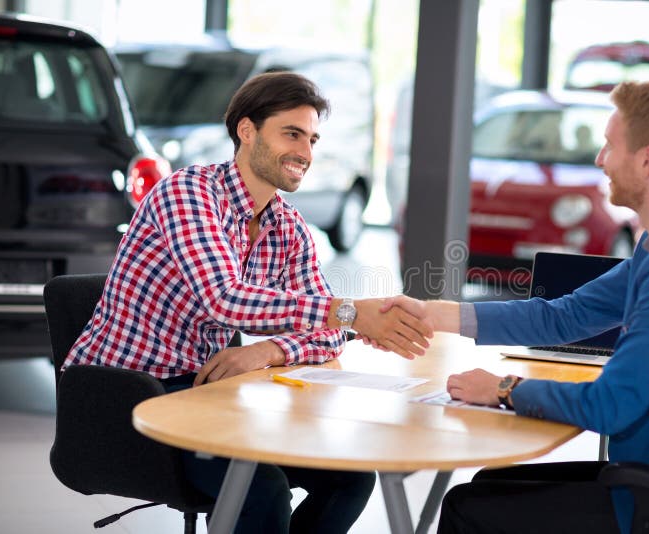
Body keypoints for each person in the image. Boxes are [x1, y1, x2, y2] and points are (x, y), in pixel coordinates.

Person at [379, 81, 649, 533]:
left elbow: (611, 405)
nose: (599, 160)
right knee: (488, 487)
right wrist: (435, 313)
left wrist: (505, 389)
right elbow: (563, 316)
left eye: (609, 145)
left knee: (469, 511)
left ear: (647, 160)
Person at [64, 72, 432, 534]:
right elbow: (226, 299)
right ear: (247, 130)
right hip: (130, 397)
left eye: (313, 139)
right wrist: (352, 311)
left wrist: (267, 351)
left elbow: (330, 333)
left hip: (209, 393)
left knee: (350, 477)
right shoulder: (189, 193)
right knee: (263, 492)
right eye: (292, 134)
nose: (305, 152)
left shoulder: (287, 227)